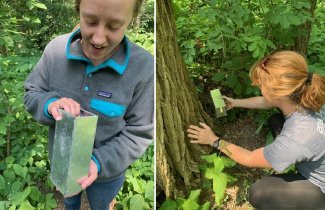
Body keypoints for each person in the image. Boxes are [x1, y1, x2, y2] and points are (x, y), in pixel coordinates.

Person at [24, 0, 153, 209]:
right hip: (63, 163)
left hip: (107, 175)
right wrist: (49, 104)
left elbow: (140, 132)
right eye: (90, 21)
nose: (99, 38)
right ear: (78, 10)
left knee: (101, 205)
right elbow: (32, 93)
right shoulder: (55, 51)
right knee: (69, 202)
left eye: (114, 26)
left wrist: (99, 162)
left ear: (132, 19)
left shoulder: (143, 67)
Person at [187, 51, 325, 209]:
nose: (258, 87)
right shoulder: (308, 94)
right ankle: (290, 159)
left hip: (321, 186)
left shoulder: (297, 135)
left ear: (277, 93)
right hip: (314, 151)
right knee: (276, 121)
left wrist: (214, 140)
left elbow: (249, 158)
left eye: (261, 86)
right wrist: (235, 102)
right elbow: (267, 102)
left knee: (259, 192)